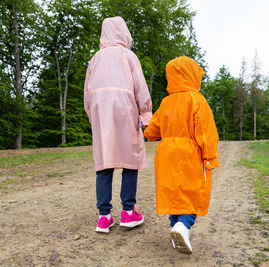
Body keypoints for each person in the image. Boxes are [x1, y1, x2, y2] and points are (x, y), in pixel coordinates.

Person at [143, 56, 219, 254]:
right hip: (189, 153)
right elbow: (206, 131)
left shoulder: (166, 102)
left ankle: (175, 227)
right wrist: (210, 157)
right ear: (193, 75)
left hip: (166, 154)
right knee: (193, 192)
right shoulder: (197, 100)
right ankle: (183, 226)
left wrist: (146, 127)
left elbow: (152, 132)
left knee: (174, 193)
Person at [84, 16, 152, 233]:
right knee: (130, 160)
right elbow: (140, 87)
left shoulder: (95, 59)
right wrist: (146, 114)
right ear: (124, 33)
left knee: (104, 162)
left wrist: (92, 115)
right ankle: (128, 212)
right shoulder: (128, 56)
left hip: (100, 112)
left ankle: (104, 217)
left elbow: (87, 92)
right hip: (125, 109)